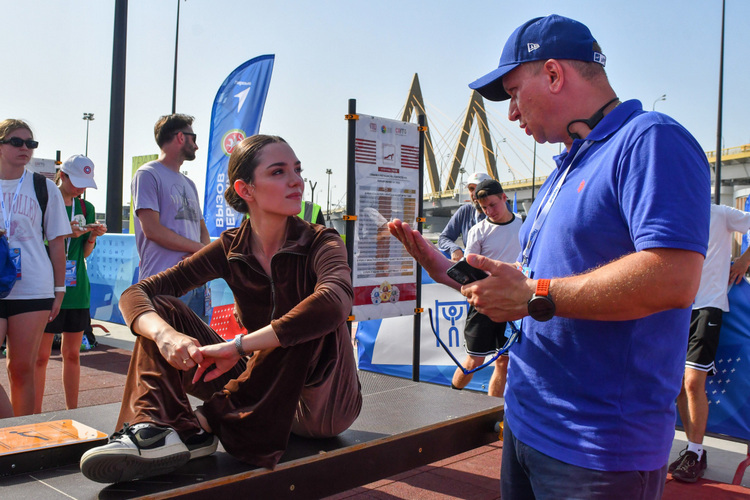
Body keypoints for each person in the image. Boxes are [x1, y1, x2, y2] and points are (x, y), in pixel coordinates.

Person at [389, 15, 710, 499]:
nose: (512, 114)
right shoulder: (565, 166)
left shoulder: (650, 140)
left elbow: (673, 277)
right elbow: (533, 283)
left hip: (596, 449)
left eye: (515, 92)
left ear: (555, 75)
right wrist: (445, 270)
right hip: (527, 423)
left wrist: (535, 294)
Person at [80, 135, 362, 484]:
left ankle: (197, 424)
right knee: (162, 309)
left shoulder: (322, 240)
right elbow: (138, 292)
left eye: (297, 170)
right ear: (246, 189)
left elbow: (335, 303)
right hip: (255, 389)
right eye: (278, 172)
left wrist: (238, 347)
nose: (296, 181)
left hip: (320, 405)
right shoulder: (230, 246)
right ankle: (154, 426)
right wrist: (166, 336)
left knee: (308, 316)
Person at [670, 204, 750, 482]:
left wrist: (744, 260)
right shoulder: (676, 213)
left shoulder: (721, 213)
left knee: (693, 383)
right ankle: (694, 453)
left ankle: (695, 451)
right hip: (676, 307)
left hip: (708, 306)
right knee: (678, 383)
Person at [0, 119, 70, 417]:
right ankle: (7, 430)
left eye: (31, 143)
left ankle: (22, 443)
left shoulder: (43, 187)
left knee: (21, 368)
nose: (25, 148)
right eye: (17, 142)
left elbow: (57, 244)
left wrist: (59, 289)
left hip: (33, 287)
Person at [34, 155, 107, 412]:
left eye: (85, 183)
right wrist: (65, 233)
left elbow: (84, 254)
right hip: (46, 287)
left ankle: (74, 414)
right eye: (76, 181)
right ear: (62, 176)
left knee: (73, 355)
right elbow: (35, 245)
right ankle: (34, 416)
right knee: (40, 357)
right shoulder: (43, 202)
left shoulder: (85, 208)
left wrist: (91, 236)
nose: (80, 188)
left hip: (77, 290)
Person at [131, 114, 210, 322]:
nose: (197, 146)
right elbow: (152, 230)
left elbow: (201, 227)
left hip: (195, 282)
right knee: (163, 352)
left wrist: (200, 258)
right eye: (194, 138)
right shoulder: (147, 174)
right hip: (164, 283)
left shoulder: (189, 183)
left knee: (198, 351)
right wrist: (200, 251)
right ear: (181, 137)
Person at [450, 179, 521, 397]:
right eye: (484, 208)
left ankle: (493, 414)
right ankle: (451, 401)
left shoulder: (524, 225)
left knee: (503, 360)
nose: (489, 211)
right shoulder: (477, 231)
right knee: (474, 360)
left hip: (514, 301)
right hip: (484, 302)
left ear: (504, 198)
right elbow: (469, 268)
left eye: (493, 204)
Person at [438, 172, 491, 261]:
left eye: (479, 188)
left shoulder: (501, 212)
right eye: (471, 189)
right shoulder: (465, 211)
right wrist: (454, 249)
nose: (474, 193)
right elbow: (444, 238)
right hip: (472, 268)